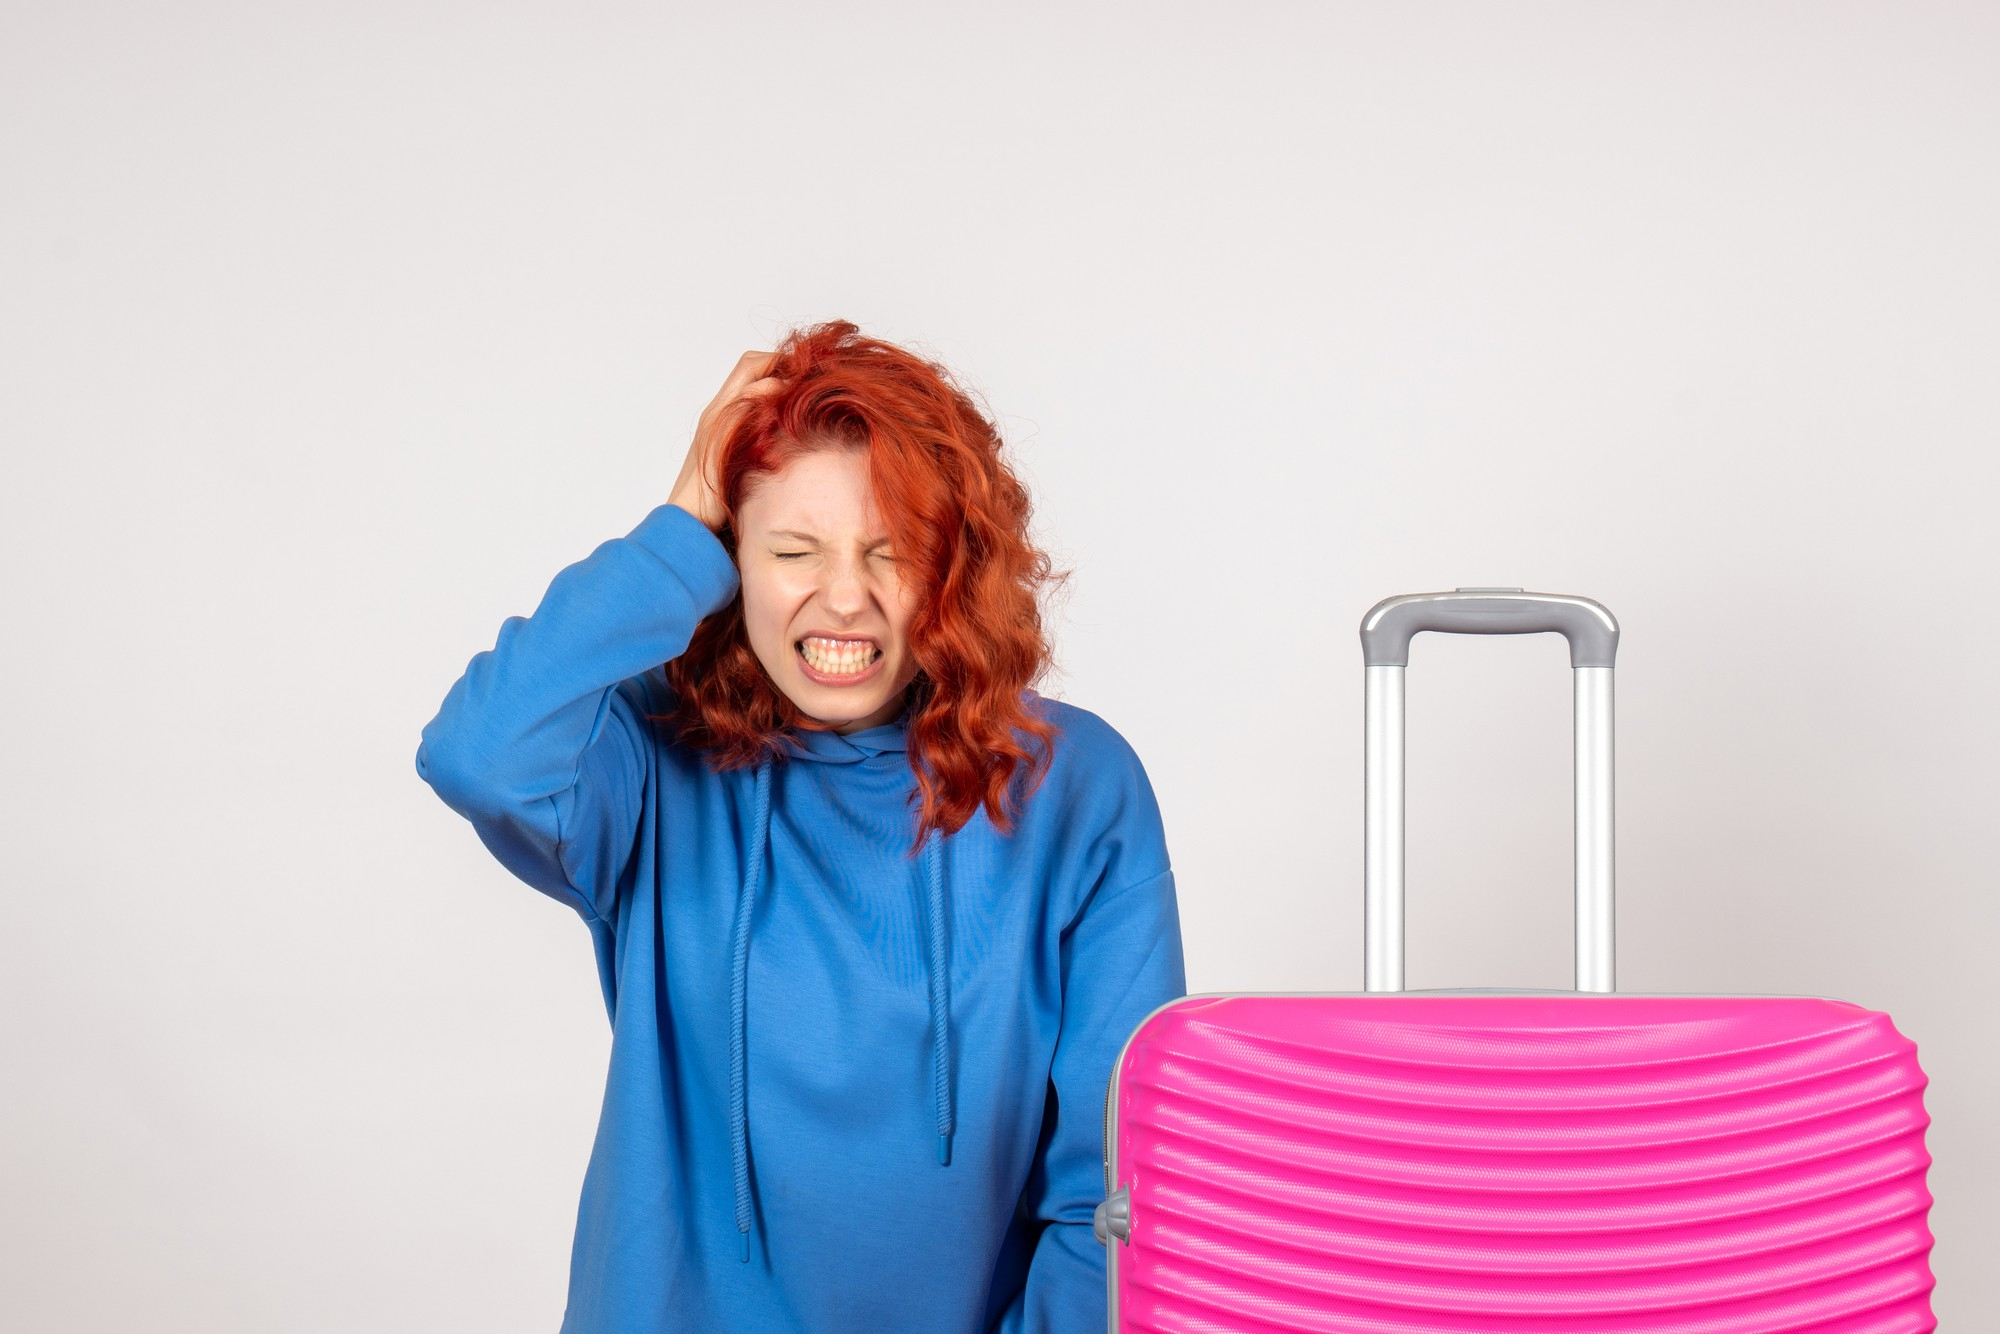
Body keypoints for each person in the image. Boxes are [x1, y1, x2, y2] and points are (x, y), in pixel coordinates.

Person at [415, 321, 1187, 1331]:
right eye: (792, 549)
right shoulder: (649, 755)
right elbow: (478, 750)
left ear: (950, 567)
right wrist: (681, 519)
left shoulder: (1072, 786)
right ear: (731, 559)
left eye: (890, 552)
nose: (844, 598)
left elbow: (1113, 1194)